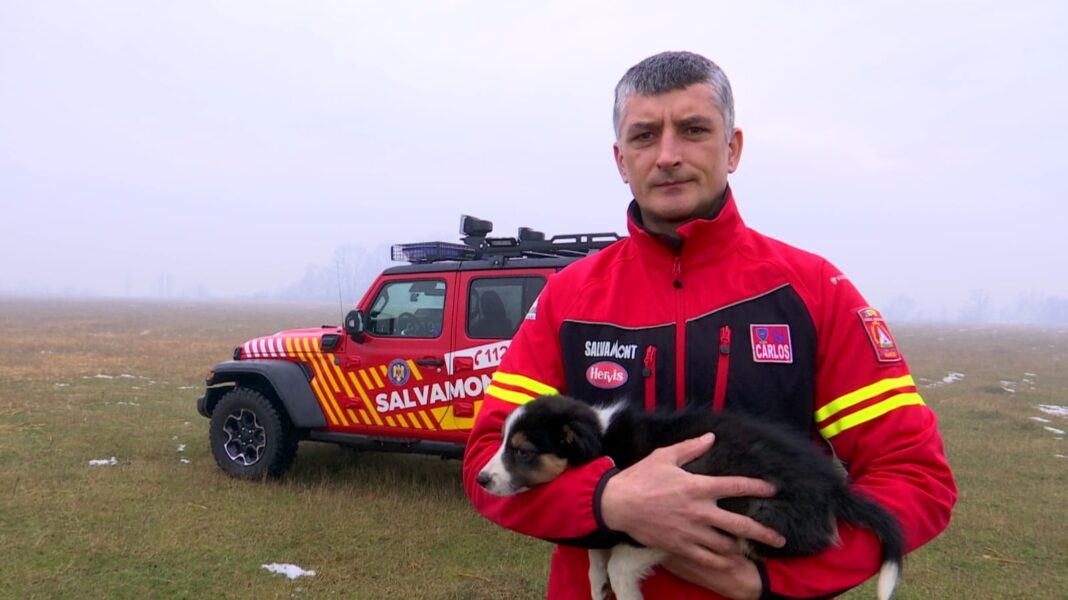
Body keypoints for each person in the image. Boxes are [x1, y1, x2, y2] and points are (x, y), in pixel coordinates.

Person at [462, 50, 956, 600]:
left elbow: (914, 476)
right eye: (645, 135)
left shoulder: (814, 290)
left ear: (733, 147)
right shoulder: (568, 297)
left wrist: (770, 581)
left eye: (694, 130)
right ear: (621, 159)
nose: (667, 155)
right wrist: (607, 502)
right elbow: (484, 463)